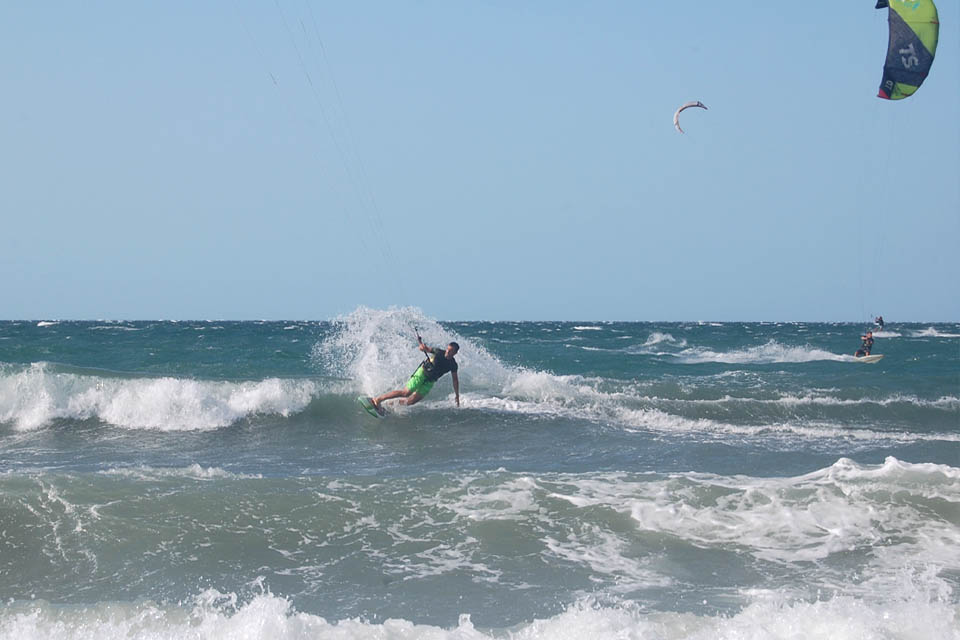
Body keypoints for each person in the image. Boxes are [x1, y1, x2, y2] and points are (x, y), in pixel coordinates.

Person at [371, 338, 460, 412]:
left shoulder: (453, 364)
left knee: (411, 401)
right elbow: (425, 349)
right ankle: (378, 399)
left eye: (450, 351)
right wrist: (421, 346)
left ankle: (388, 405)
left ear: (455, 353)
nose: (447, 352)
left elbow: (455, 380)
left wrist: (457, 395)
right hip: (423, 373)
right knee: (406, 393)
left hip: (430, 381)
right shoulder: (439, 352)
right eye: (448, 349)